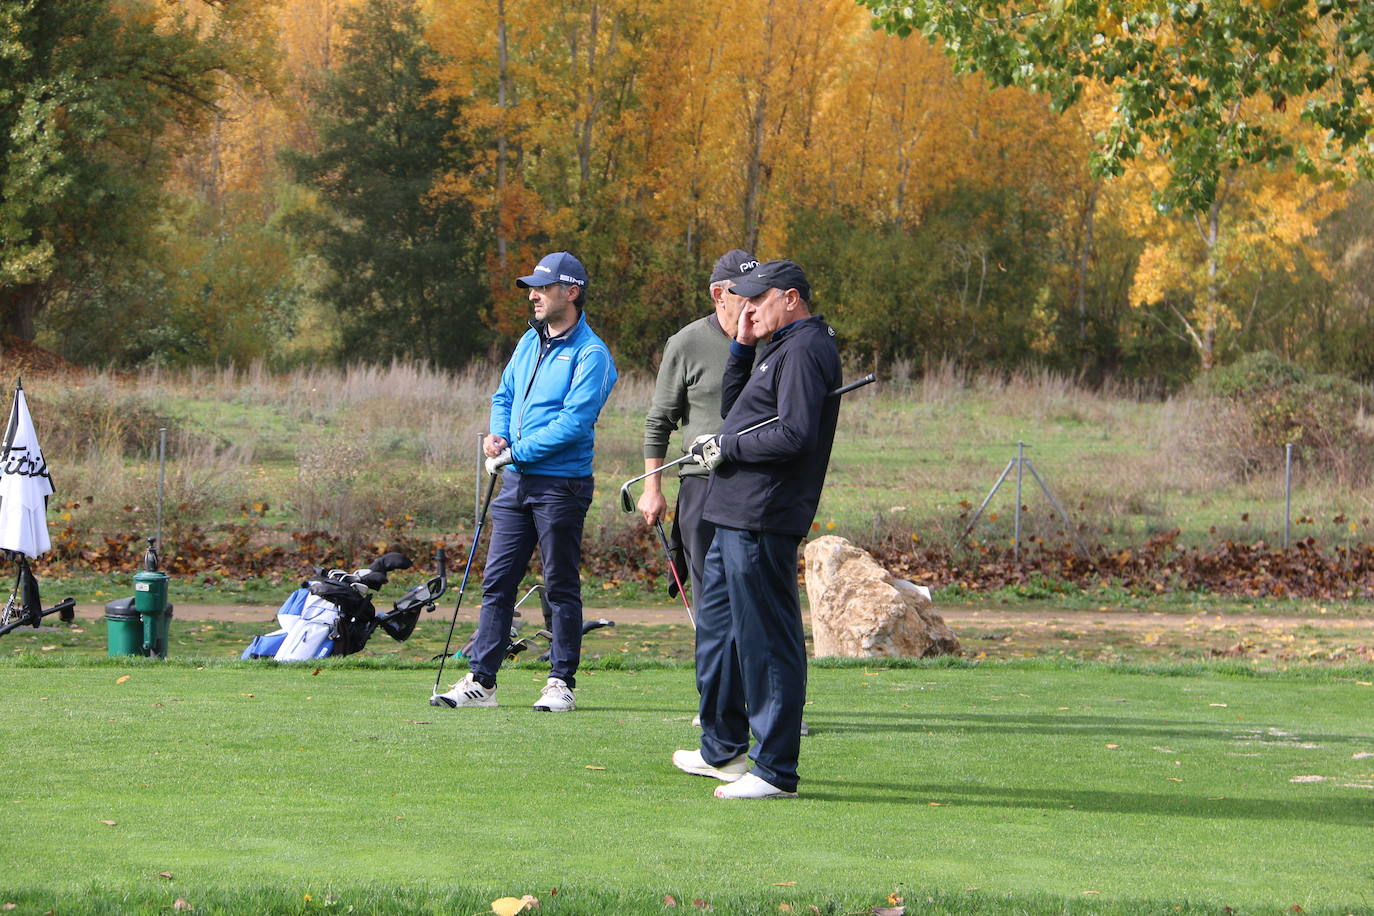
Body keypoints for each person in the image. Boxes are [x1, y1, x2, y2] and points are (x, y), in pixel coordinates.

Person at [670, 259, 841, 799]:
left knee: (767, 641)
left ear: (790, 298)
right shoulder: (776, 345)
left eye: (757, 299)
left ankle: (774, 771)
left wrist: (728, 446)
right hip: (731, 511)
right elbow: (736, 412)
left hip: (764, 515)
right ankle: (723, 749)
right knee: (719, 632)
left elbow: (794, 435)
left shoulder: (809, 348)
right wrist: (742, 349)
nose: (746, 307)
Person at [432, 251, 617, 712]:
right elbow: (505, 393)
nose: (533, 295)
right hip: (515, 481)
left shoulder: (591, 354)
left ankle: (560, 683)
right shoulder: (528, 341)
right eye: (532, 287)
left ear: (570, 292)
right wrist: (498, 436)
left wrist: (516, 452)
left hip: (561, 485)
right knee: (498, 583)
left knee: (559, 585)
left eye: (542, 287)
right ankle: (482, 681)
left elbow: (574, 424)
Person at [637, 248, 757, 597]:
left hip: (757, 484)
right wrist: (652, 489)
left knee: (751, 593)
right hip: (703, 485)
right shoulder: (686, 344)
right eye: (745, 292)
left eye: (760, 292)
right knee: (713, 596)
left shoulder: (772, 339)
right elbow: (659, 422)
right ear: (719, 295)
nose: (755, 301)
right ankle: (713, 655)